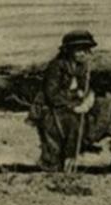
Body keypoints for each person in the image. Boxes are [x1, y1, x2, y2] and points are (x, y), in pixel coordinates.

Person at [29, 30, 99, 171]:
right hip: (52, 106)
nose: (82, 54)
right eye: (78, 50)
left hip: (72, 104)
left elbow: (85, 88)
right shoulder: (56, 66)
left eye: (85, 50)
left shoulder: (83, 67)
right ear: (69, 51)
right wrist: (73, 103)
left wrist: (88, 98)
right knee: (70, 121)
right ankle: (66, 158)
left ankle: (79, 151)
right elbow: (51, 94)